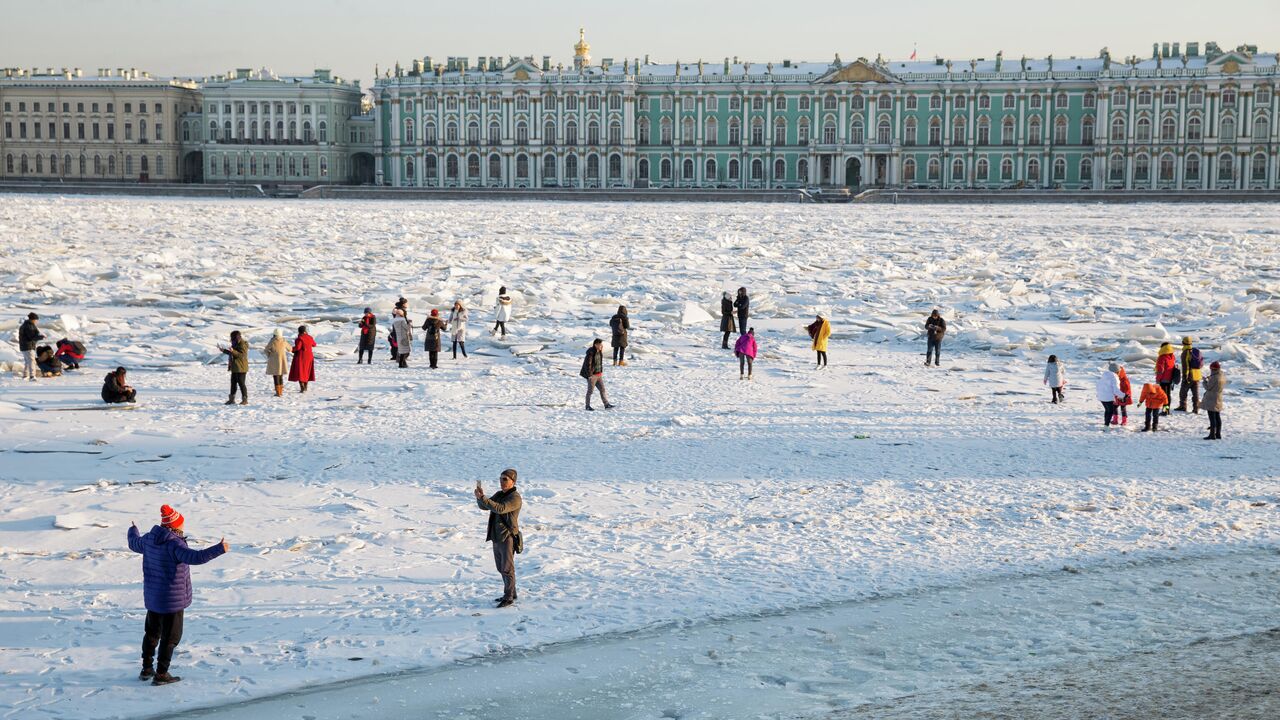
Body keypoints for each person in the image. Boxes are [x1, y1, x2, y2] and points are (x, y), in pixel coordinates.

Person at [126, 504, 229, 685]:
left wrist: (133, 529)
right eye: (181, 523)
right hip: (172, 601)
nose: (183, 526)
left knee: (151, 634)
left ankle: (146, 669)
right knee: (170, 637)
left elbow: (134, 543)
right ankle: (161, 674)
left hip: (153, 598)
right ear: (175, 526)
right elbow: (196, 557)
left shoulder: (150, 539)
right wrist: (220, 549)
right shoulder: (174, 544)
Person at [474, 469, 522, 608]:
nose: (502, 482)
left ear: (513, 481)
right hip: (496, 536)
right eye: (501, 479)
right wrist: (480, 497)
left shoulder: (515, 497)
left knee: (507, 568)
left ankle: (509, 597)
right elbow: (484, 507)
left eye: (505, 479)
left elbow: (500, 508)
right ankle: (511, 592)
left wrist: (484, 499)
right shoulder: (500, 494)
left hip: (507, 536)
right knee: (501, 567)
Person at [580, 338, 614, 411]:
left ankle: (606, 404)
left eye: (601, 344)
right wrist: (589, 375)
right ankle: (587, 406)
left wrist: (600, 372)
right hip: (592, 376)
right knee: (590, 391)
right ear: (595, 345)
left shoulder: (599, 352)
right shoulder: (591, 353)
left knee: (602, 389)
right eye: (599, 344)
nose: (601, 345)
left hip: (599, 375)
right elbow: (588, 364)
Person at [219, 330, 249, 405]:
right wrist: (224, 350)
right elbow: (232, 353)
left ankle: (245, 399)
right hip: (235, 366)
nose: (231, 338)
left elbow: (242, 355)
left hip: (241, 367)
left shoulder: (242, 344)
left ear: (236, 337)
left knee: (241, 383)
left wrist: (233, 351)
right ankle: (231, 399)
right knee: (233, 383)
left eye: (232, 337)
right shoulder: (235, 343)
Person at [1176, 336, 1203, 413]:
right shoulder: (1196, 351)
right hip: (1197, 375)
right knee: (1195, 393)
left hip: (1190, 375)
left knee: (1183, 392)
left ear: (1183, 343)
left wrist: (1185, 376)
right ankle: (1196, 408)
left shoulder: (1185, 352)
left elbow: (1185, 366)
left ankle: (1182, 406)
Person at [1201, 361, 1227, 440]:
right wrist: (1210, 378)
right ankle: (1218, 434)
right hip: (1218, 398)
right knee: (1217, 416)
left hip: (1211, 399)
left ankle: (1212, 435)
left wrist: (1204, 381)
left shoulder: (1214, 377)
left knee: (1212, 417)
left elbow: (1208, 387)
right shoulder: (1221, 375)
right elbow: (1216, 383)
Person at [263, 329, 291, 397]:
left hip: (274, 360)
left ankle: (278, 392)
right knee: (280, 375)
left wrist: (270, 355)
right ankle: (280, 391)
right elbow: (290, 349)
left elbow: (266, 350)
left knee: (276, 376)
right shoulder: (284, 340)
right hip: (282, 360)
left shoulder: (272, 341)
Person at [288, 326, 316, 392]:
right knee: (307, 371)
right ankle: (305, 387)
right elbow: (314, 344)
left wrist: (291, 349)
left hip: (301, 356)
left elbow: (298, 347)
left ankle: (302, 387)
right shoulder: (309, 337)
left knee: (301, 372)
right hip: (309, 356)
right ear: (305, 331)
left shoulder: (299, 339)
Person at [1095, 362, 1123, 428]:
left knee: (1107, 410)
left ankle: (1106, 423)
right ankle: (1106, 426)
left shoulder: (1104, 375)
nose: (1119, 372)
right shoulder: (1114, 377)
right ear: (1116, 370)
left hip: (1101, 396)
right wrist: (1123, 395)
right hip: (1108, 397)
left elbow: (1098, 385)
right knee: (1110, 411)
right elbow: (1116, 390)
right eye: (1119, 370)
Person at [18, 312, 43, 381]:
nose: (36, 321)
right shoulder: (29, 326)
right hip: (28, 346)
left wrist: (39, 335)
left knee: (27, 361)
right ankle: (32, 376)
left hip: (25, 346)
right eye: (35, 319)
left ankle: (25, 375)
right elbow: (32, 337)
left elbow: (34, 334)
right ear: (32, 319)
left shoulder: (28, 325)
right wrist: (41, 337)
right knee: (32, 361)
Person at [1155, 342, 1177, 416]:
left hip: (1164, 380)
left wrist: (1158, 379)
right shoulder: (1172, 356)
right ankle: (1167, 410)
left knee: (1164, 396)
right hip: (1170, 379)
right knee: (1168, 395)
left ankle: (1165, 411)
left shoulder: (1162, 357)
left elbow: (1160, 370)